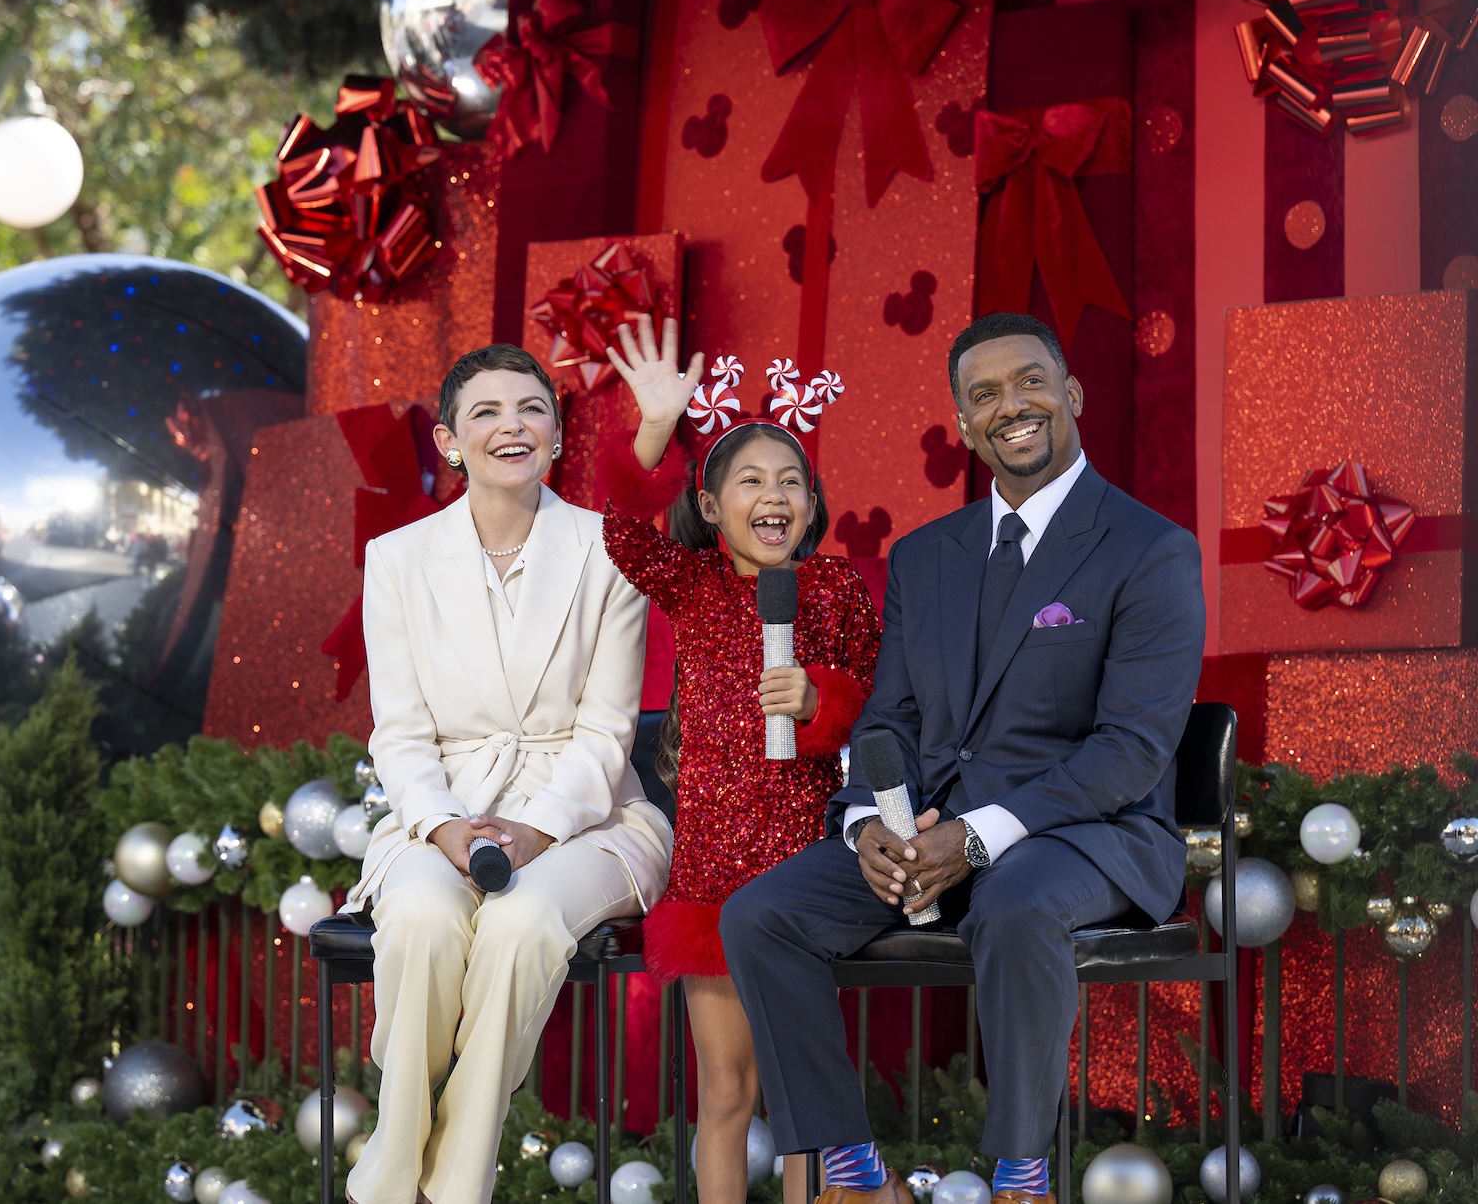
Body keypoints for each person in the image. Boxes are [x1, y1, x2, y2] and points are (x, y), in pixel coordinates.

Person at [721, 313, 1205, 1204]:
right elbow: (891, 717)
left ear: (1071, 395)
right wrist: (870, 820)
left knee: (1016, 906)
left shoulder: (1151, 550)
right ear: (963, 422)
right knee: (761, 917)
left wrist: (978, 838)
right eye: (984, 395)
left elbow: (1132, 750)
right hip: (930, 830)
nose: (1010, 406)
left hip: (1085, 834)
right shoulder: (925, 555)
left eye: (1029, 382)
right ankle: (856, 1178)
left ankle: (1022, 1179)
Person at [346, 344, 673, 1204]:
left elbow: (609, 730)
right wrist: (445, 825)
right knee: (418, 913)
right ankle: (410, 1154)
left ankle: (437, 1181)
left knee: (522, 923)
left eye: (531, 409)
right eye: (485, 413)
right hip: (442, 805)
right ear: (451, 442)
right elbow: (401, 734)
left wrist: (537, 829)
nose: (510, 426)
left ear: (558, 435)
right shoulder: (397, 559)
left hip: (589, 814)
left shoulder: (611, 550)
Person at [596, 317, 880, 1203]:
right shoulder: (693, 582)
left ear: (812, 504)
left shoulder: (836, 589)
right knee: (726, 1089)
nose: (774, 493)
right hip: (713, 873)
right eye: (749, 479)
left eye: (791, 480)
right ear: (712, 507)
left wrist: (823, 700)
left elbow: (884, 707)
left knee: (797, 1092)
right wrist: (651, 429)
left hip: (804, 879)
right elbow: (616, 526)